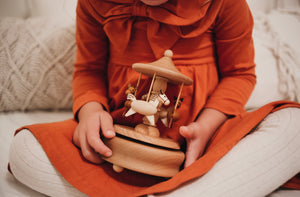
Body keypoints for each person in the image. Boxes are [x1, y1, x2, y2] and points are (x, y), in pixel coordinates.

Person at [9, 0, 300, 196]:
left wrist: (206, 126)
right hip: (121, 141)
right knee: (25, 149)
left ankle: (193, 187)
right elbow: (89, 70)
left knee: (294, 125)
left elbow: (241, 74)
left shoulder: (224, 3)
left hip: (203, 140)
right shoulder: (94, 3)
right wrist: (90, 110)